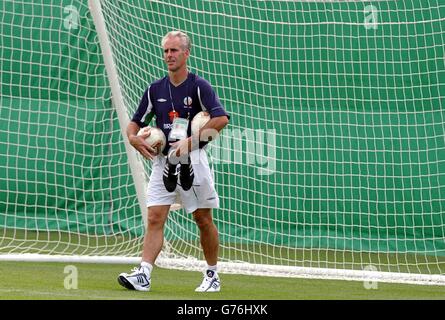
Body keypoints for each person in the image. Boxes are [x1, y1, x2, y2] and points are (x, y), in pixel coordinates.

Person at [117, 31, 229, 293]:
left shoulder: (199, 86)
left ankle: (212, 274)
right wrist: (133, 138)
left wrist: (191, 141)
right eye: (166, 50)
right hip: (163, 161)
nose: (169, 55)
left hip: (194, 160)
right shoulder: (154, 89)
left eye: (174, 50)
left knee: (202, 218)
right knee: (155, 217)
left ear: (186, 53)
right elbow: (135, 123)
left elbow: (221, 119)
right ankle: (144, 274)